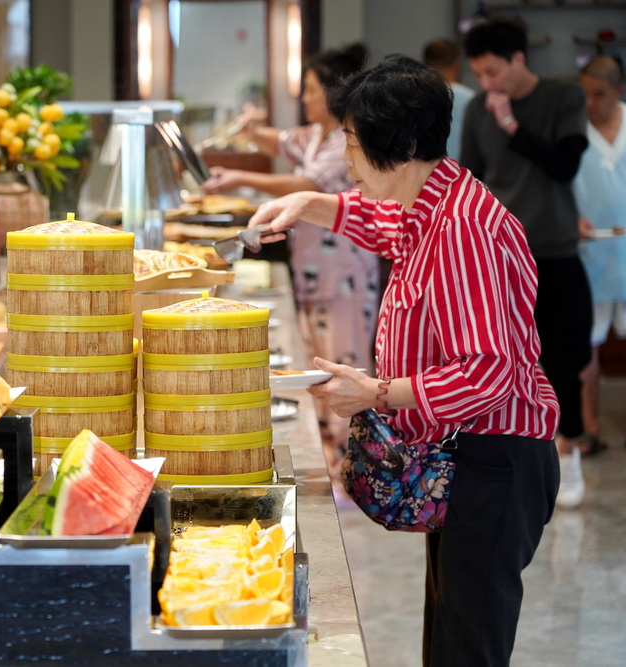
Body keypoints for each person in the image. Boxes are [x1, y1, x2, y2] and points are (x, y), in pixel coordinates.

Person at [249, 55, 559, 667]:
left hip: (497, 459)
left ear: (407, 144)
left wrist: (377, 392)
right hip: (466, 454)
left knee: (467, 646)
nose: (348, 163)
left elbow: (488, 375)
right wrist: (310, 203)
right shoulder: (431, 202)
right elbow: (385, 222)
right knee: (447, 635)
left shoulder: (464, 230)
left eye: (357, 146)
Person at [202, 44, 379, 475]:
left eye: (311, 90)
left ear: (333, 93)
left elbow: (305, 181)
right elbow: (279, 141)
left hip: (344, 278)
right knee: (320, 367)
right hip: (314, 273)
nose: (304, 98)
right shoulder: (315, 134)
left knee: (346, 366)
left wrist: (239, 177)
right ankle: (333, 461)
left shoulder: (344, 140)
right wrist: (251, 128)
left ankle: (353, 468)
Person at [460, 18, 592, 510]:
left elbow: (565, 165)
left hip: (554, 249)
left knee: (564, 355)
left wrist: (512, 125)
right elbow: (472, 178)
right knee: (504, 359)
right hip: (497, 256)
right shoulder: (477, 108)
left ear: (518, 59)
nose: (487, 83)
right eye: (479, 73)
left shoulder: (563, 98)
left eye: (493, 71)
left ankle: (571, 450)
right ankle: (517, 459)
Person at [572, 55, 626, 455]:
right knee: (585, 343)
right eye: (585, 94)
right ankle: (590, 427)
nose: (591, 102)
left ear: (619, 91)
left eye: (600, 95)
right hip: (589, 253)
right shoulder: (572, 128)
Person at [423, 38, 475, 160]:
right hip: (464, 171)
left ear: (425, 65)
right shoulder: (472, 100)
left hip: (429, 173)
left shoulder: (416, 99)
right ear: (457, 64)